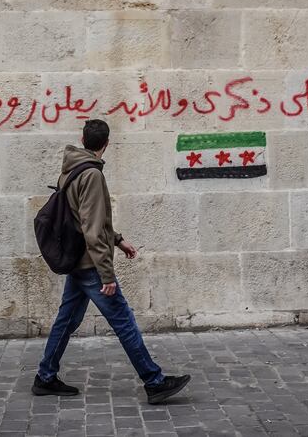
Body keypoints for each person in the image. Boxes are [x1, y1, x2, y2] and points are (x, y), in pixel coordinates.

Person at [32, 119, 191, 405]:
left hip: (79, 262)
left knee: (66, 320)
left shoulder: (71, 168)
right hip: (91, 265)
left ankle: (45, 376)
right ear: (107, 144)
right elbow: (92, 227)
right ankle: (154, 382)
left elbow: (88, 220)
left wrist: (117, 239)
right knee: (124, 320)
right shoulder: (91, 174)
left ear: (83, 139)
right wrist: (106, 274)